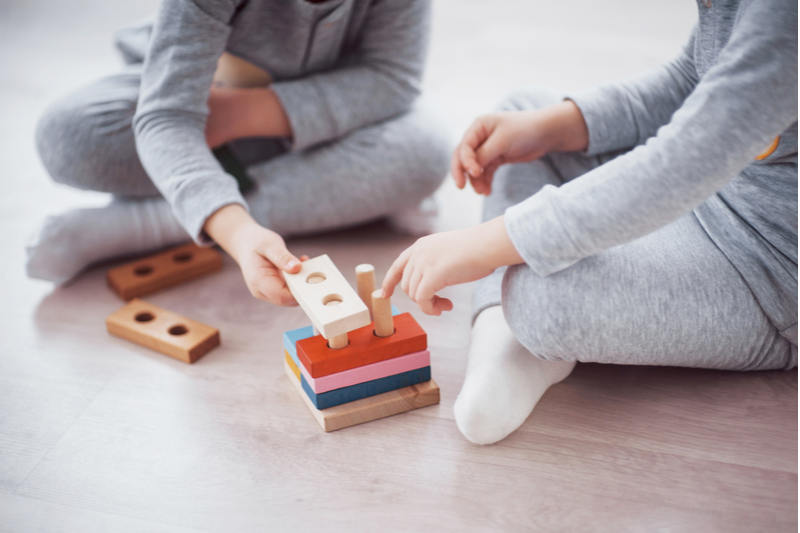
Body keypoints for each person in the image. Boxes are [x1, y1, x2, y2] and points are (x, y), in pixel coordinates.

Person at [381, 0, 798, 445]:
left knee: (538, 296)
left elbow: (687, 160)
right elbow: (694, 81)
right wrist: (553, 126)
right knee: (519, 113)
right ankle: (503, 335)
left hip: (769, 270)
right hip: (706, 193)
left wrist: (489, 243)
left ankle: (521, 328)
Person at [28, 0, 450, 305]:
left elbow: (391, 78)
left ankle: (150, 222)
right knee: (71, 136)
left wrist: (239, 116)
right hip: (203, 91)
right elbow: (168, 116)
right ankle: (345, 193)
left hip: (313, 107)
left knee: (425, 151)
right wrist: (238, 232)